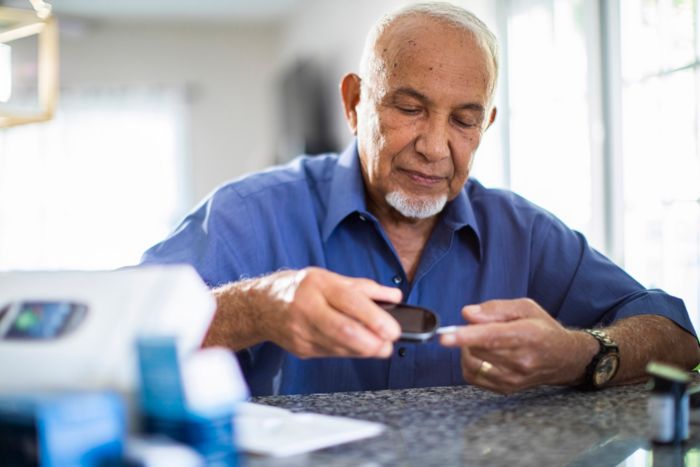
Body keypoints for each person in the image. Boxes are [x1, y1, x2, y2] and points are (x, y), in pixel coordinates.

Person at [142, 2, 699, 396]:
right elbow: (117, 327)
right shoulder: (250, 213)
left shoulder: (522, 232)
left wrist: (580, 353)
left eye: (463, 120)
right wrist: (259, 307)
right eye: (409, 108)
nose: (435, 147)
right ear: (356, 102)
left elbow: (677, 336)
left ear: (487, 126)